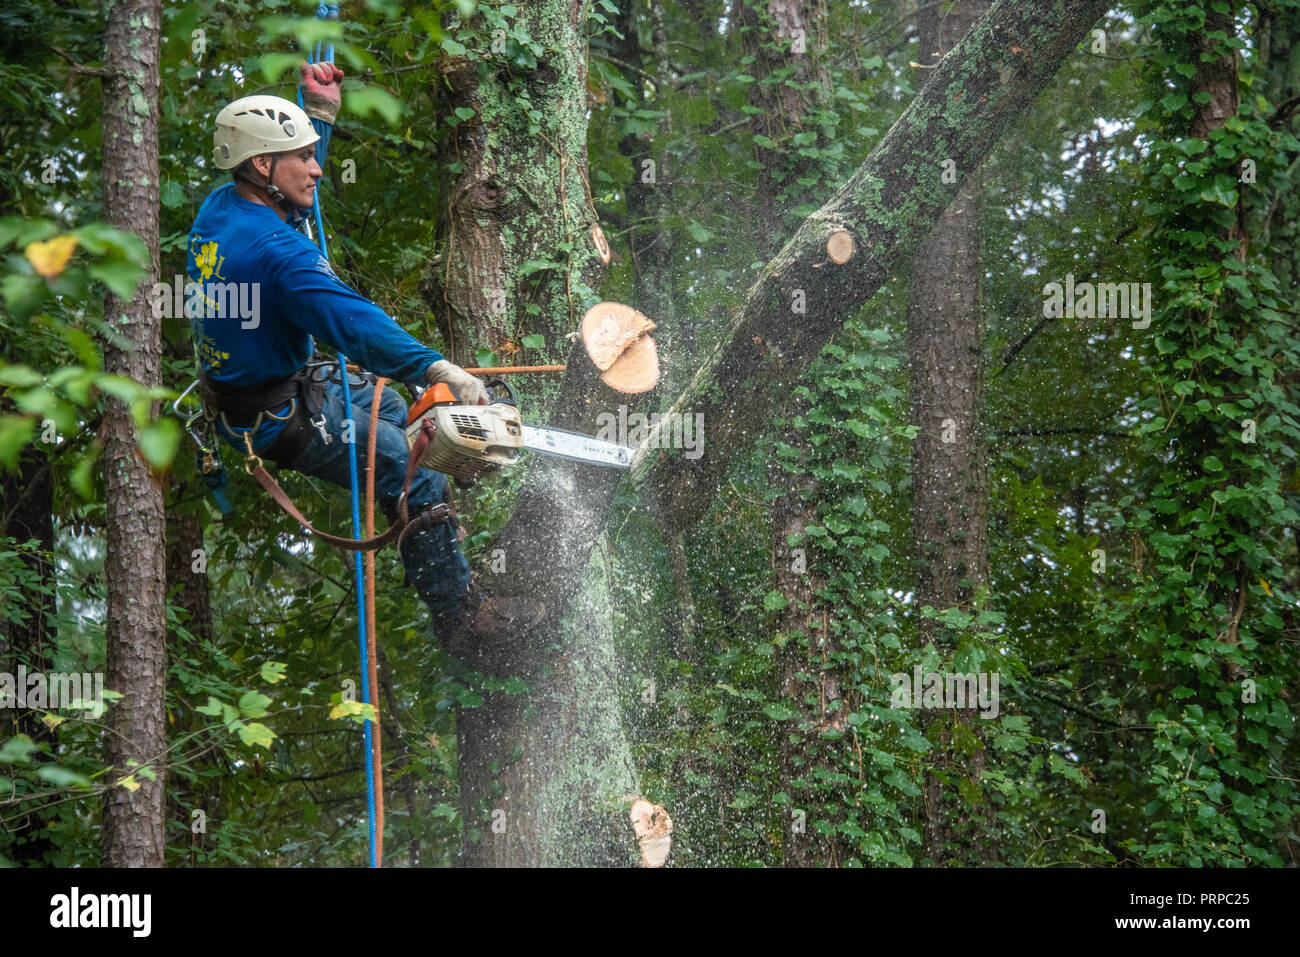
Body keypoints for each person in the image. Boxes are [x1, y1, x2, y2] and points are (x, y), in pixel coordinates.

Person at [189, 64, 542, 644]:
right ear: (262, 165)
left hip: (287, 382)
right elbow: (355, 325)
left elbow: (290, 198)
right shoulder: (278, 253)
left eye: (313, 152)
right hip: (277, 418)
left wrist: (319, 115)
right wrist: (435, 365)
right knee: (417, 469)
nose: (317, 167)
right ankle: (461, 621)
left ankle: (446, 506)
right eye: (303, 157)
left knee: (413, 415)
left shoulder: (224, 208)